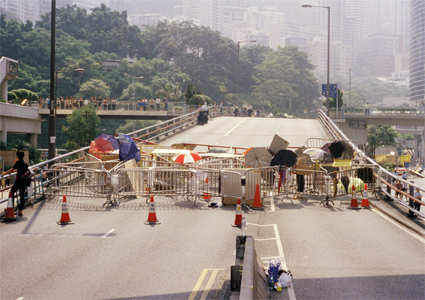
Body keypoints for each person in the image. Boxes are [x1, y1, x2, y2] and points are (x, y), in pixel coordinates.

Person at [2, 151, 30, 217]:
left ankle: (11, 207)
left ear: (17, 156)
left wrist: (4, 174)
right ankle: (20, 210)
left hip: (19, 181)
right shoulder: (25, 162)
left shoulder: (18, 162)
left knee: (11, 192)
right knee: (22, 194)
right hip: (24, 180)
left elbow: (12, 170)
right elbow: (20, 170)